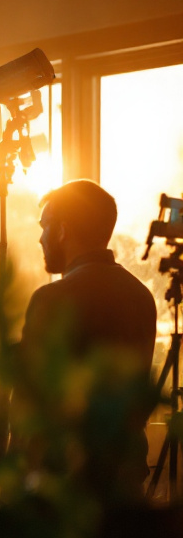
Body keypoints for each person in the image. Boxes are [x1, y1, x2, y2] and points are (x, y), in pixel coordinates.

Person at [17, 180, 156, 493]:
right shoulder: (141, 296)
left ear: (62, 230)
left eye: (44, 225)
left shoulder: (52, 298)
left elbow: (32, 408)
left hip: (65, 485)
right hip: (125, 479)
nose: (40, 237)